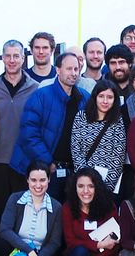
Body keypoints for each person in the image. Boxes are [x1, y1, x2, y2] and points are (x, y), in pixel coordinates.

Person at [10, 51, 90, 204]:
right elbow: (29, 134)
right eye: (69, 69)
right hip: (43, 170)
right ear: (58, 70)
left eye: (76, 69)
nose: (73, 73)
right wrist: (48, 162)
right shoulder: (41, 96)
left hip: (71, 171)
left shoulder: (84, 98)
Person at [0, 40, 39, 256]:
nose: (12, 60)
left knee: (22, 216)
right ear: (1, 58)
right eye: (7, 56)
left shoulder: (35, 87)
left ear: (23, 58)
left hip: (24, 163)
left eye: (16, 56)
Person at [61, 168, 121, 256]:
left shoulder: (108, 206)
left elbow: (114, 243)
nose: (85, 191)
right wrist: (98, 244)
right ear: (74, 188)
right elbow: (71, 242)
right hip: (78, 255)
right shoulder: (68, 208)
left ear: (97, 188)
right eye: (81, 186)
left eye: (90, 186)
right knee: (79, 252)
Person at [71, 80, 127, 193]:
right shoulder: (81, 117)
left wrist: (104, 188)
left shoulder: (117, 120)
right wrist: (86, 182)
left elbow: (118, 156)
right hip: (84, 183)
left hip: (107, 185)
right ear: (95, 97)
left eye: (110, 97)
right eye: (101, 96)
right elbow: (76, 150)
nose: (105, 101)